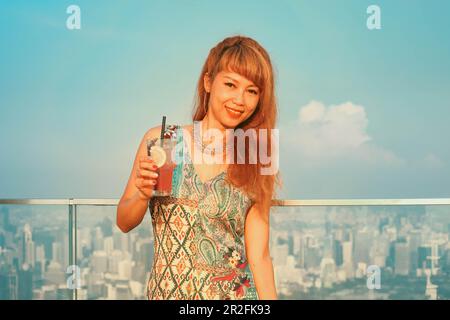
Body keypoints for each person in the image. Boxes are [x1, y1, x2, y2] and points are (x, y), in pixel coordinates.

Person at [116, 35, 281, 300]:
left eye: (252, 91)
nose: (240, 99)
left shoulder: (258, 154)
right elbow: (124, 222)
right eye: (230, 84)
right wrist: (143, 193)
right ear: (208, 82)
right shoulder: (163, 141)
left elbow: (259, 255)